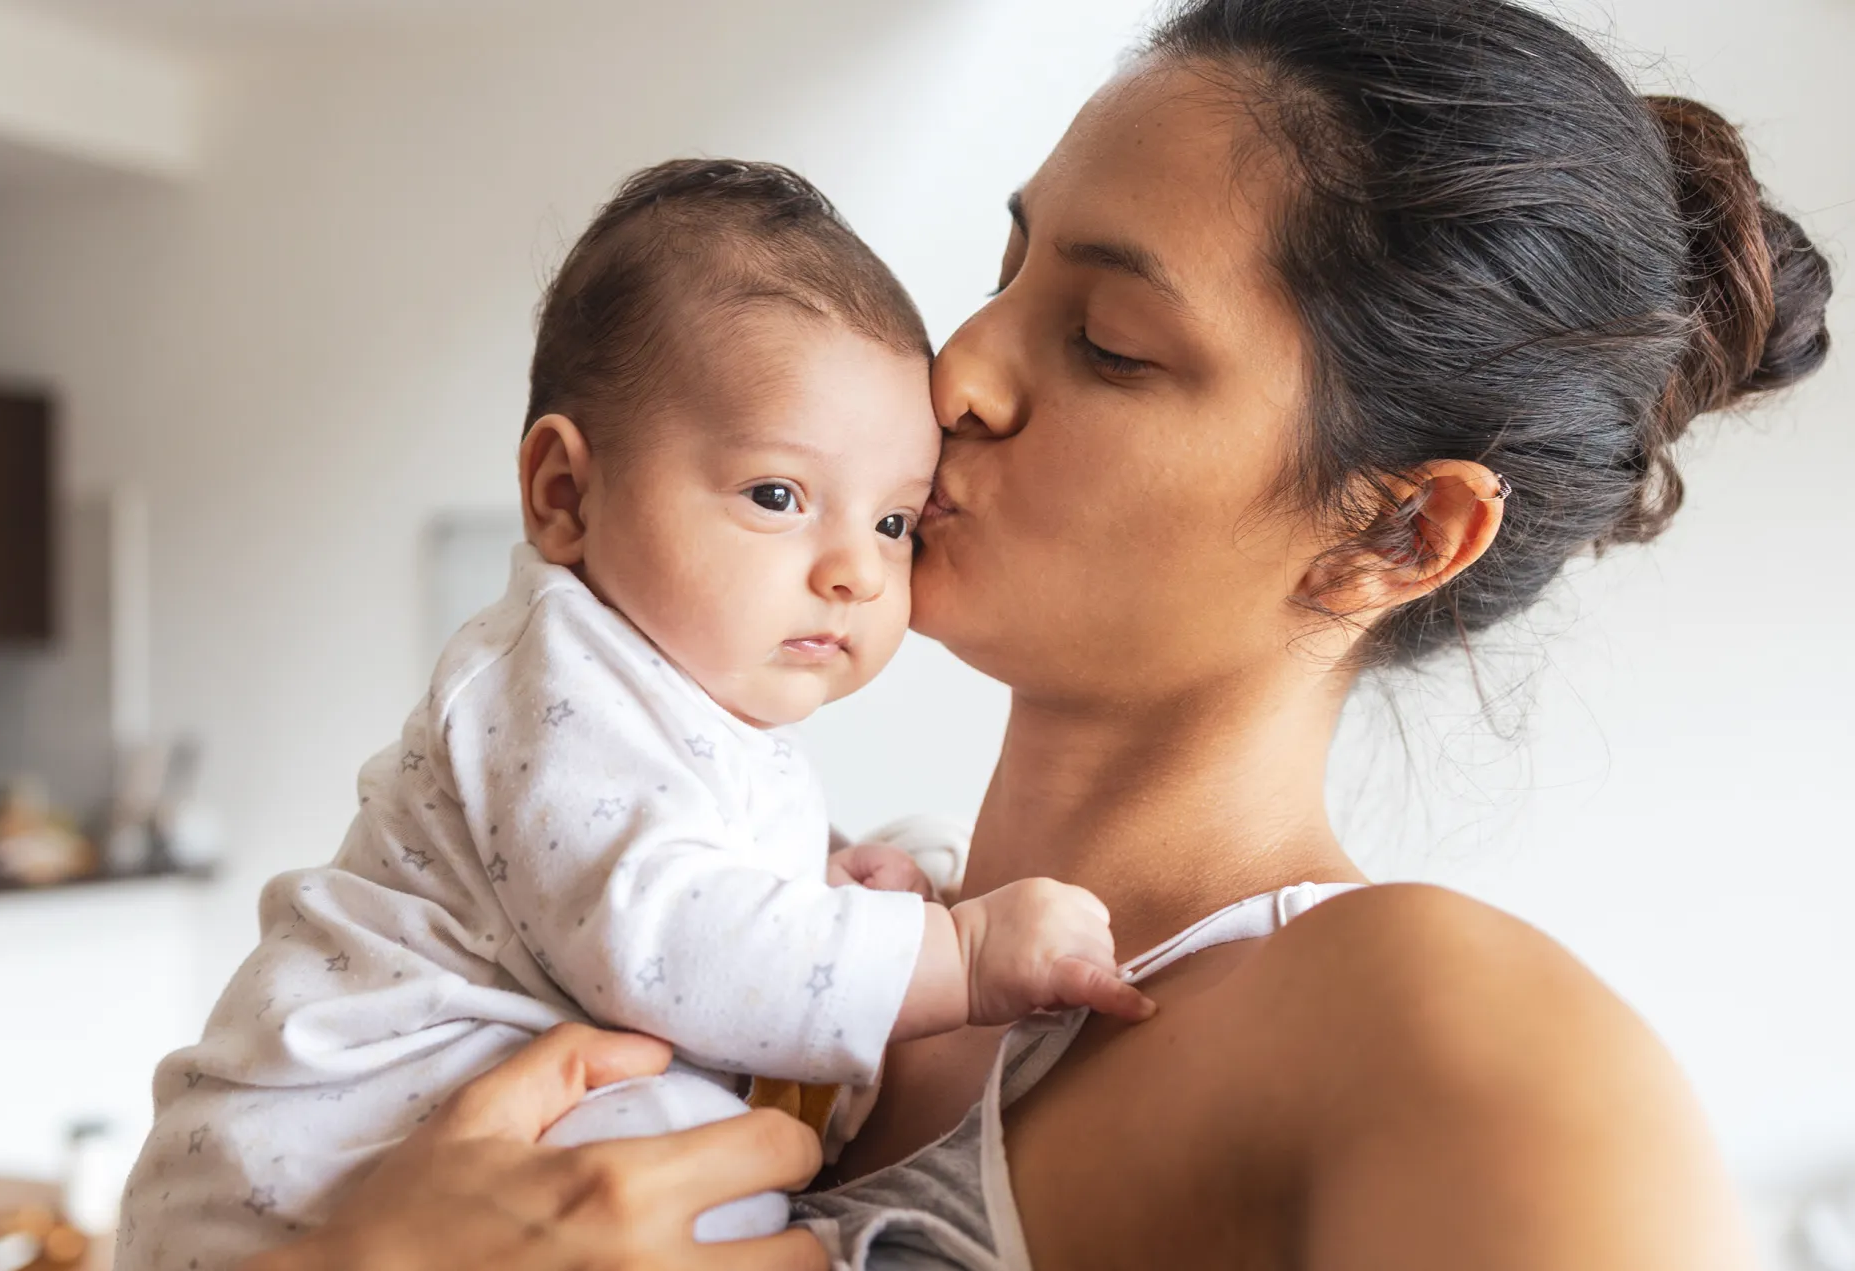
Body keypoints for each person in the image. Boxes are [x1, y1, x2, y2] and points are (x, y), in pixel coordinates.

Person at [241, 0, 1836, 1267]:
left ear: (1396, 530)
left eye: (1108, 342)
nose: (956, 374)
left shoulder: (1432, 1036)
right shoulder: (786, 915)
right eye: (1003, 272)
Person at [119, 159, 1150, 1271]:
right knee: (699, 1158)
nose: (856, 569)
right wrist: (959, 946)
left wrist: (837, 871)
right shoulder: (555, 677)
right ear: (565, 493)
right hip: (305, 1172)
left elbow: (681, 880)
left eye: (895, 520)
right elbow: (667, 937)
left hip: (421, 1170)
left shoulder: (682, 703)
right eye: (776, 496)